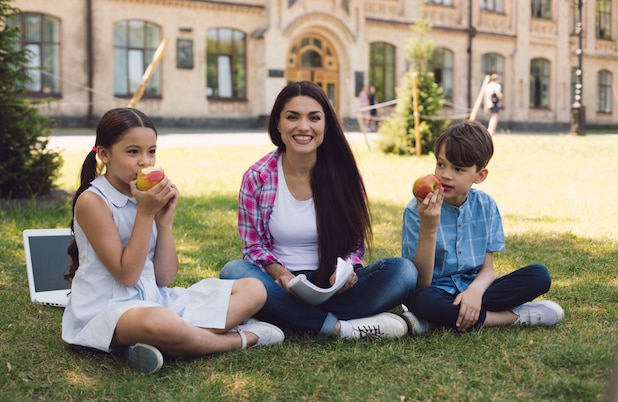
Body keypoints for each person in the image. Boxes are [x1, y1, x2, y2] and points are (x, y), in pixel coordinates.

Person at [61, 107, 284, 374]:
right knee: (160, 322)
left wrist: (164, 222)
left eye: (151, 151)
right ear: (104, 154)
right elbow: (127, 276)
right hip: (109, 308)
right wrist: (145, 213)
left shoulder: (145, 196)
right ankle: (240, 338)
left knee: (254, 289)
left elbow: (165, 277)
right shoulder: (93, 201)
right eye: (133, 152)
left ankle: (165, 342)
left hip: (155, 299)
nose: (145, 162)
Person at [220, 81, 417, 340]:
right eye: (292, 117)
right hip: (281, 284)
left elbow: (356, 240)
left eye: (314, 118)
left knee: (403, 272)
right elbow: (253, 246)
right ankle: (341, 328)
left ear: (325, 125)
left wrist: (346, 269)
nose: (303, 127)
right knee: (233, 271)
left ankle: (288, 318)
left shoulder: (345, 174)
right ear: (278, 124)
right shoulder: (258, 177)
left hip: (333, 285)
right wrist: (281, 275)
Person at [401, 120, 564, 334]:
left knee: (539, 275)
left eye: (458, 169)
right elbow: (422, 283)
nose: (445, 175)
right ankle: (512, 317)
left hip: (479, 290)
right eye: (441, 164)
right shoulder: (417, 209)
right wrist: (429, 228)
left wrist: (475, 292)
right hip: (435, 292)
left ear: (479, 176)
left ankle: (438, 320)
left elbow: (487, 269)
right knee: (421, 299)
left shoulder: (486, 205)